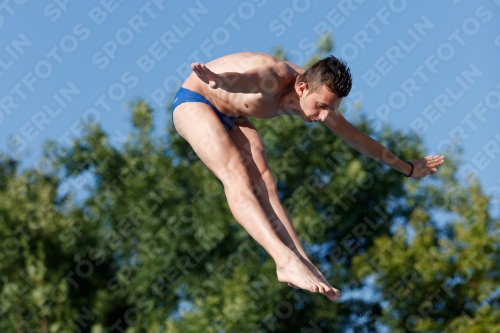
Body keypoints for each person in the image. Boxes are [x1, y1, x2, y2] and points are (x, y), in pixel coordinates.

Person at [171, 52, 445, 302]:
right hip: (198, 100)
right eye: (323, 106)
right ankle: (283, 260)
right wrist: (218, 80)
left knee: (265, 181)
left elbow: (358, 139)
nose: (325, 116)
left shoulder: (317, 95)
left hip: (233, 114)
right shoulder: (274, 76)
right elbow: (245, 81)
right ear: (302, 88)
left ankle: (303, 263)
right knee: (236, 173)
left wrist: (406, 167)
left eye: (331, 108)